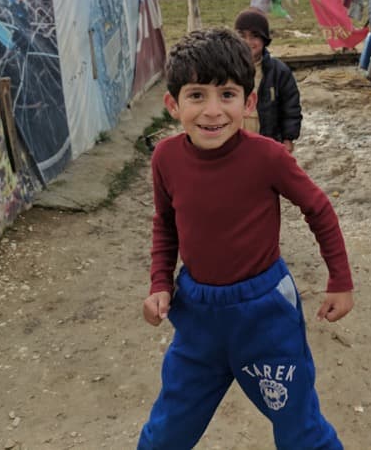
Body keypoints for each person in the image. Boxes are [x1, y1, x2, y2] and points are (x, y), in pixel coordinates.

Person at [139, 28, 354, 449]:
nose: (212, 111)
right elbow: (165, 222)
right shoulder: (166, 158)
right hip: (197, 316)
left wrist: (341, 281)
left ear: (249, 102)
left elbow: (318, 209)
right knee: (165, 433)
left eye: (227, 94)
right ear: (172, 104)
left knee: (300, 430)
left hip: (265, 314)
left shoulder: (268, 157)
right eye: (196, 95)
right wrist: (160, 283)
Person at [234, 7, 302, 152]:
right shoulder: (224, 69)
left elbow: (290, 107)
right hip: (232, 140)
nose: (248, 42)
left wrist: (288, 138)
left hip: (267, 139)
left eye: (254, 36)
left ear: (264, 40)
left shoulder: (279, 72)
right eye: (242, 36)